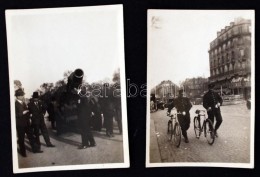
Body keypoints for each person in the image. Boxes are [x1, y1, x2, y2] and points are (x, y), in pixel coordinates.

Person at [15, 89, 42, 157]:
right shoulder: (15, 104)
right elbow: (15, 115)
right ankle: (23, 153)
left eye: (22, 95)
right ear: (17, 96)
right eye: (21, 95)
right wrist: (22, 112)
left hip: (27, 123)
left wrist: (29, 114)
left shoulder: (23, 103)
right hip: (20, 124)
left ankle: (35, 149)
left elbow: (27, 111)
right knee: (21, 139)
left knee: (31, 137)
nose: (22, 96)